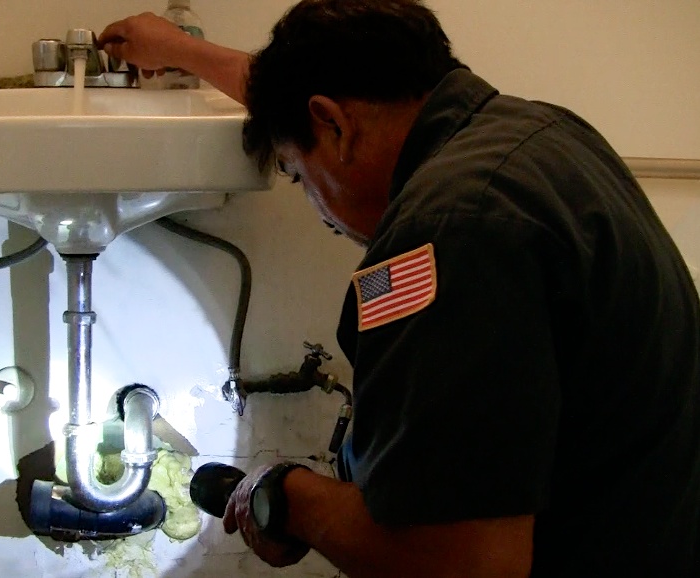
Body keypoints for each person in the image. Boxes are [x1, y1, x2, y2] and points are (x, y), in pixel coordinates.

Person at [99, 1, 700, 576]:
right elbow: (302, 90)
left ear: (331, 123)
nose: (319, 210)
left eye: (297, 173)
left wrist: (286, 493)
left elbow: (462, 564)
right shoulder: (537, 135)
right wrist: (181, 51)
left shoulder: (449, 230)